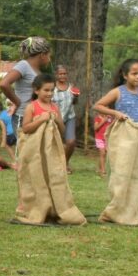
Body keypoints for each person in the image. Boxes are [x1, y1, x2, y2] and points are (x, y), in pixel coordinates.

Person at [14, 73, 85, 225]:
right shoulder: (31, 107)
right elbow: (25, 128)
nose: (49, 93)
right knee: (36, 178)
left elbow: (62, 130)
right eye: (46, 90)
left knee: (51, 176)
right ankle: (34, 205)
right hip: (35, 151)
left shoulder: (55, 107)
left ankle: (53, 205)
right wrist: (41, 119)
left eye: (52, 90)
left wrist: (58, 120)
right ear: (36, 90)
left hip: (50, 151)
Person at [92, 58, 138, 225]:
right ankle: (116, 208)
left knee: (135, 172)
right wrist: (115, 113)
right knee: (121, 171)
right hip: (122, 137)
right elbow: (98, 106)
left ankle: (131, 208)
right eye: (134, 73)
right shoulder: (118, 91)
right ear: (125, 75)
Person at [0, 36, 51, 130]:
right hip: (22, 115)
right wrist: (17, 101)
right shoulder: (24, 65)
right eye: (48, 55)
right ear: (42, 55)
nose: (49, 58)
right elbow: (4, 84)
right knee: (23, 144)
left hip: (34, 116)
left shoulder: (37, 71)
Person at [52, 64, 80, 171]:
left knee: (71, 142)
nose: (63, 76)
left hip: (69, 117)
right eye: (60, 74)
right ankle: (54, 163)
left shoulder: (71, 87)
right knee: (54, 143)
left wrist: (76, 97)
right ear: (56, 75)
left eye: (64, 74)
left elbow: (74, 103)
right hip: (55, 119)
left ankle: (65, 162)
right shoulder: (52, 88)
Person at [0, 101, 18, 166]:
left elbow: (4, 130)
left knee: (7, 145)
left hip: (11, 133)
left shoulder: (1, 117)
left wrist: (3, 142)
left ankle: (15, 160)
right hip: (18, 131)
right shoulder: (7, 112)